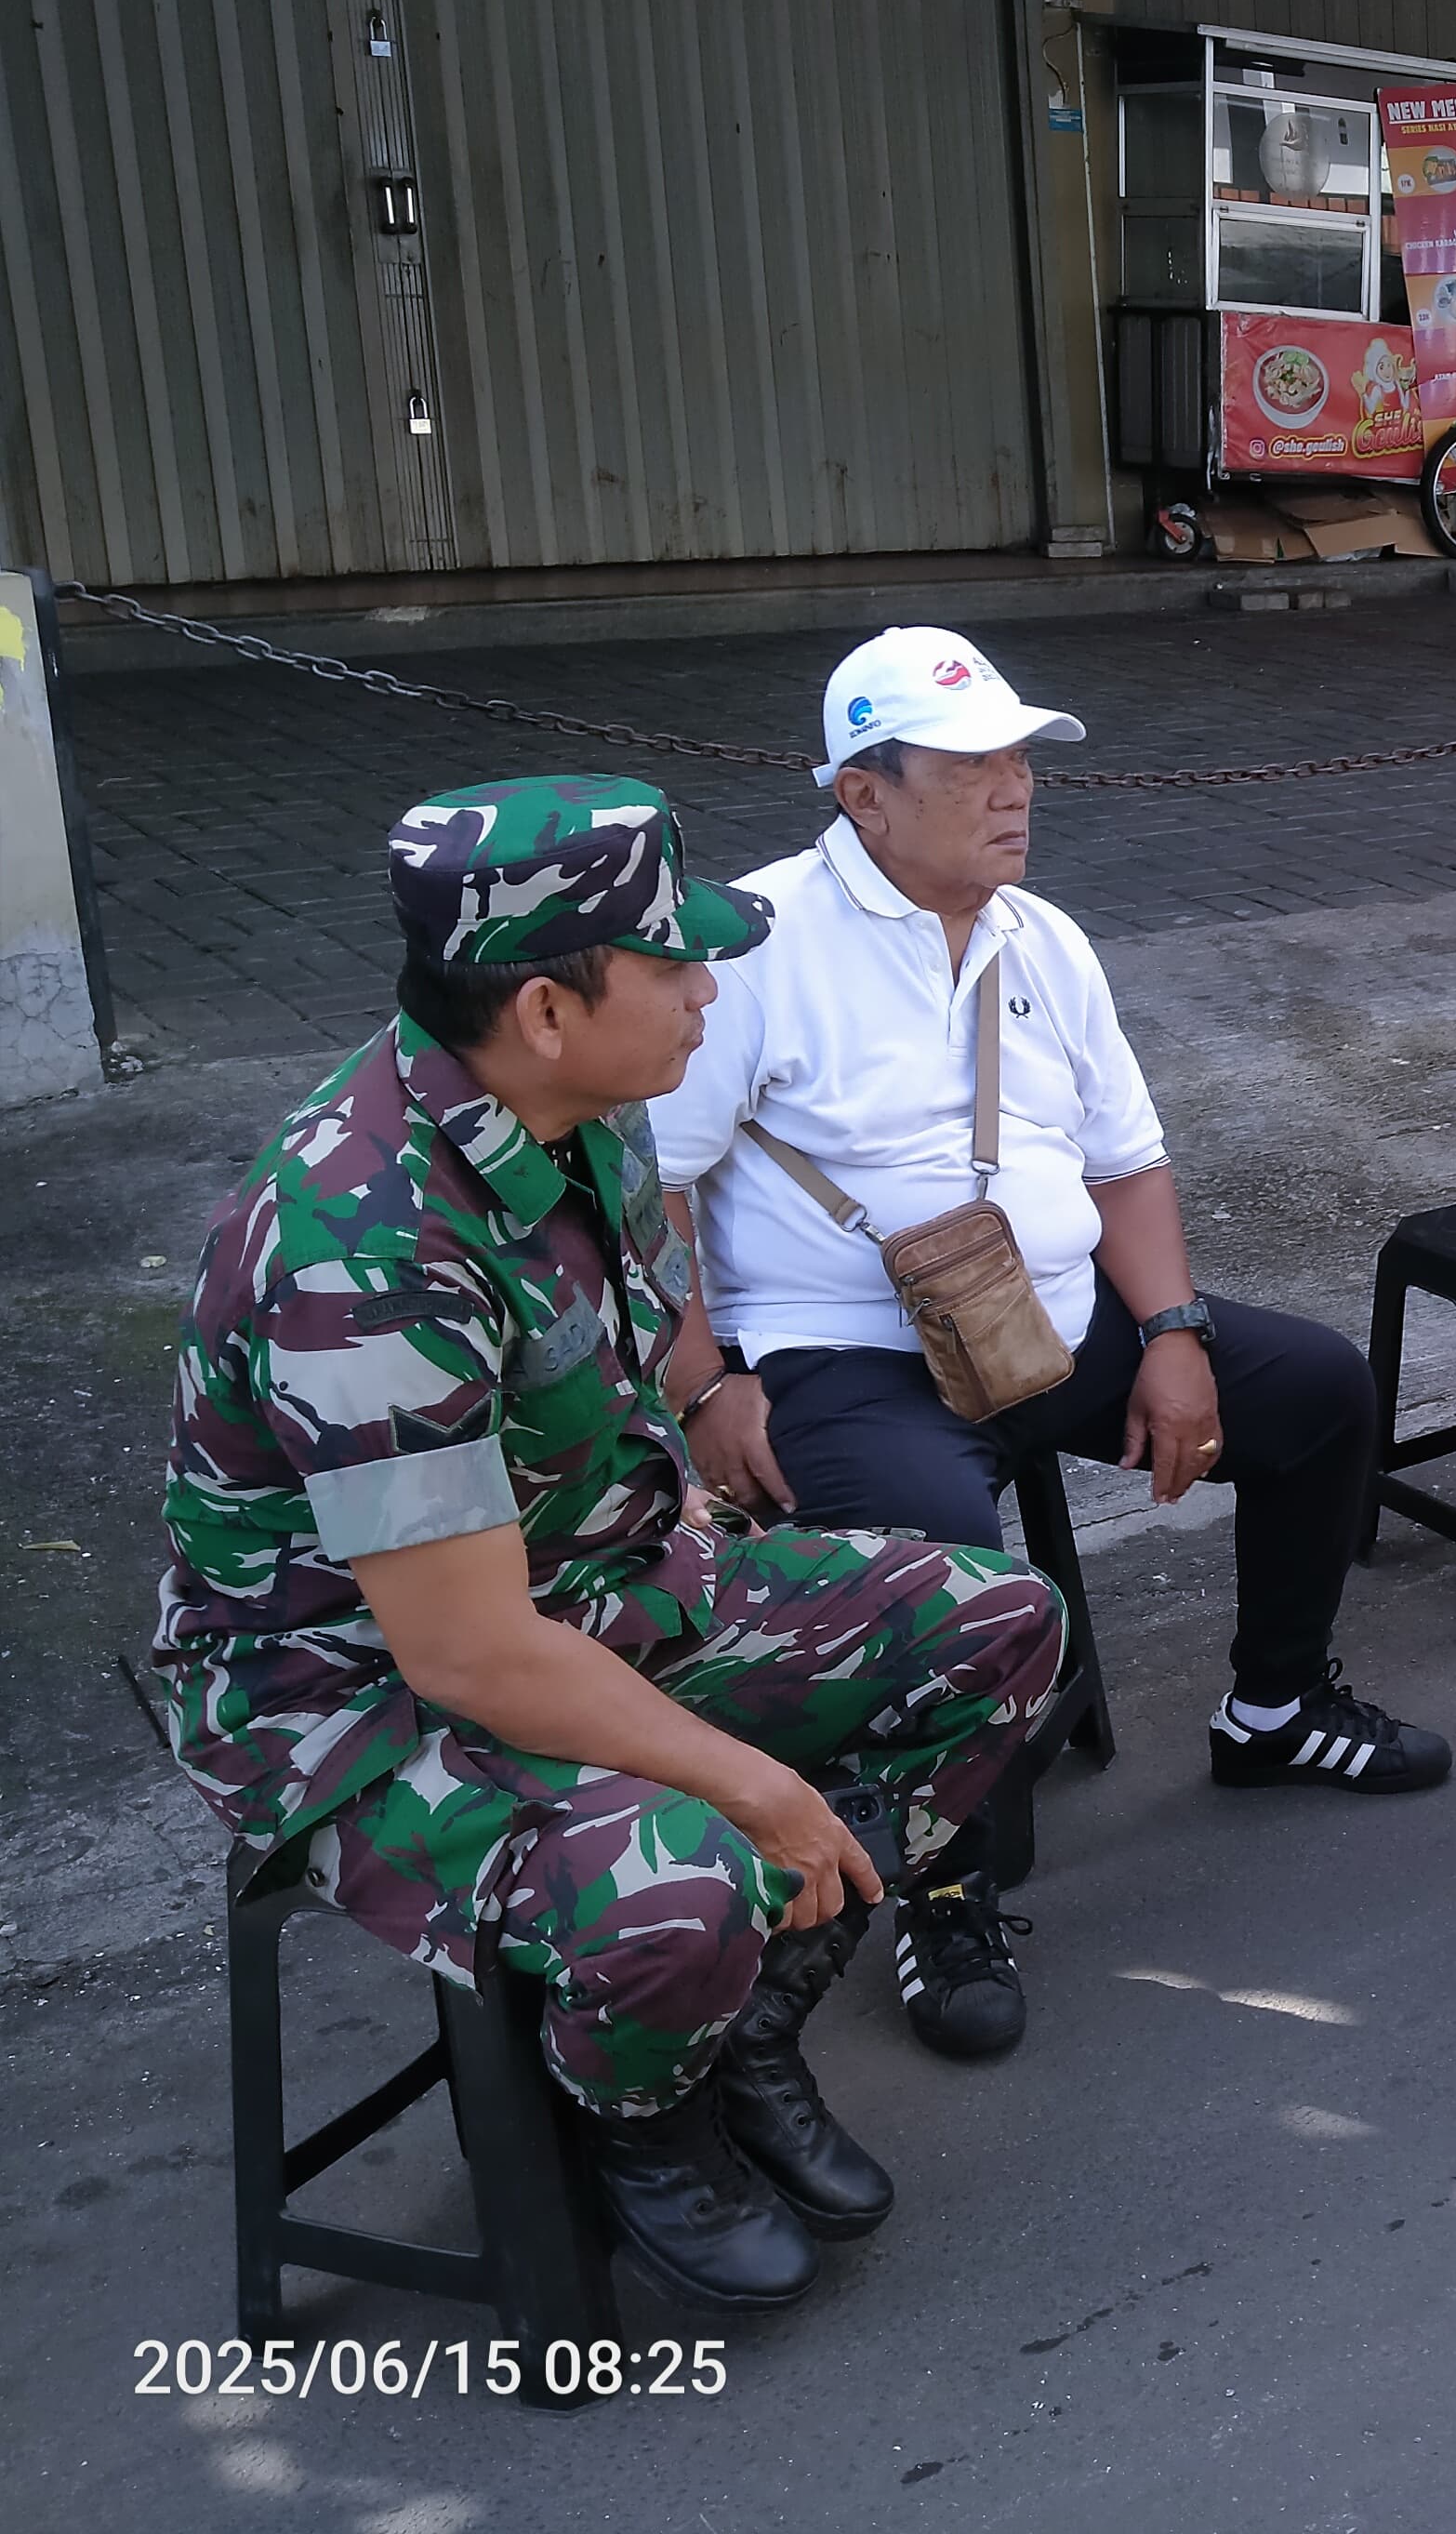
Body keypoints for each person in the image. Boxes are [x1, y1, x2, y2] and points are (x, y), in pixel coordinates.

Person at [153, 779, 1065, 2315]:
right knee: (691, 1867)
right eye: (672, 967)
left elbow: (626, 1354)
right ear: (546, 1010)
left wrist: (684, 1476)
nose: (713, 993)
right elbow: (467, 1654)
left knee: (997, 1625)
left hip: (603, 1580)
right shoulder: (361, 1243)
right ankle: (640, 2121)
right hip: (360, 1694)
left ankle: (749, 2023)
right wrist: (755, 1784)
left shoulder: (589, 1115)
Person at [649, 629, 1445, 2067]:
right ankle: (941, 1891)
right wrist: (704, 1384)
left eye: (1021, 757)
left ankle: (1274, 1706)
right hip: (845, 1356)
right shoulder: (759, 951)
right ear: (862, 794)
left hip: (1045, 1322)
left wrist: (1177, 1334)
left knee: (1317, 1388)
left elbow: (1128, 1166)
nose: (1015, 788)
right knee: (949, 1553)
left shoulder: (1045, 938)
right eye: (972, 765)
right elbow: (649, 1195)